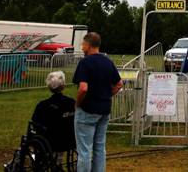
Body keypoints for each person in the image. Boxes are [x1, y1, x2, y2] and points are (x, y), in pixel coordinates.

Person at [73, 32, 123, 172]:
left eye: (83, 44)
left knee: (84, 151)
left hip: (87, 111)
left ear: (88, 45)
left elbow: (83, 88)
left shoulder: (85, 62)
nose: (82, 48)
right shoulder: (108, 62)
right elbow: (119, 84)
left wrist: (78, 103)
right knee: (100, 147)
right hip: (104, 110)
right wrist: (106, 95)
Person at [31, 71, 76, 155]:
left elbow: (35, 122)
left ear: (49, 87)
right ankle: (59, 157)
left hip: (50, 141)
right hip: (70, 141)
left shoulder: (43, 105)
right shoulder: (72, 103)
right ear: (63, 86)